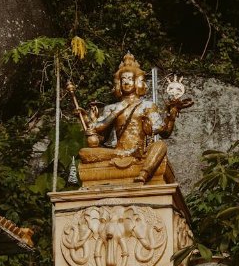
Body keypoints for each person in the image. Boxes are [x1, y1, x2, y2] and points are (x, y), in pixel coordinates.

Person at [76, 53, 193, 183]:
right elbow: (98, 134)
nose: (126, 82)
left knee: (160, 145)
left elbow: (164, 132)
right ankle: (125, 155)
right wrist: (87, 118)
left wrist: (171, 116)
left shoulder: (147, 106)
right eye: (123, 79)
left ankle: (144, 173)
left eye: (130, 79)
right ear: (118, 83)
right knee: (83, 152)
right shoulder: (111, 108)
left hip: (140, 152)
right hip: (117, 152)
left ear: (137, 81)